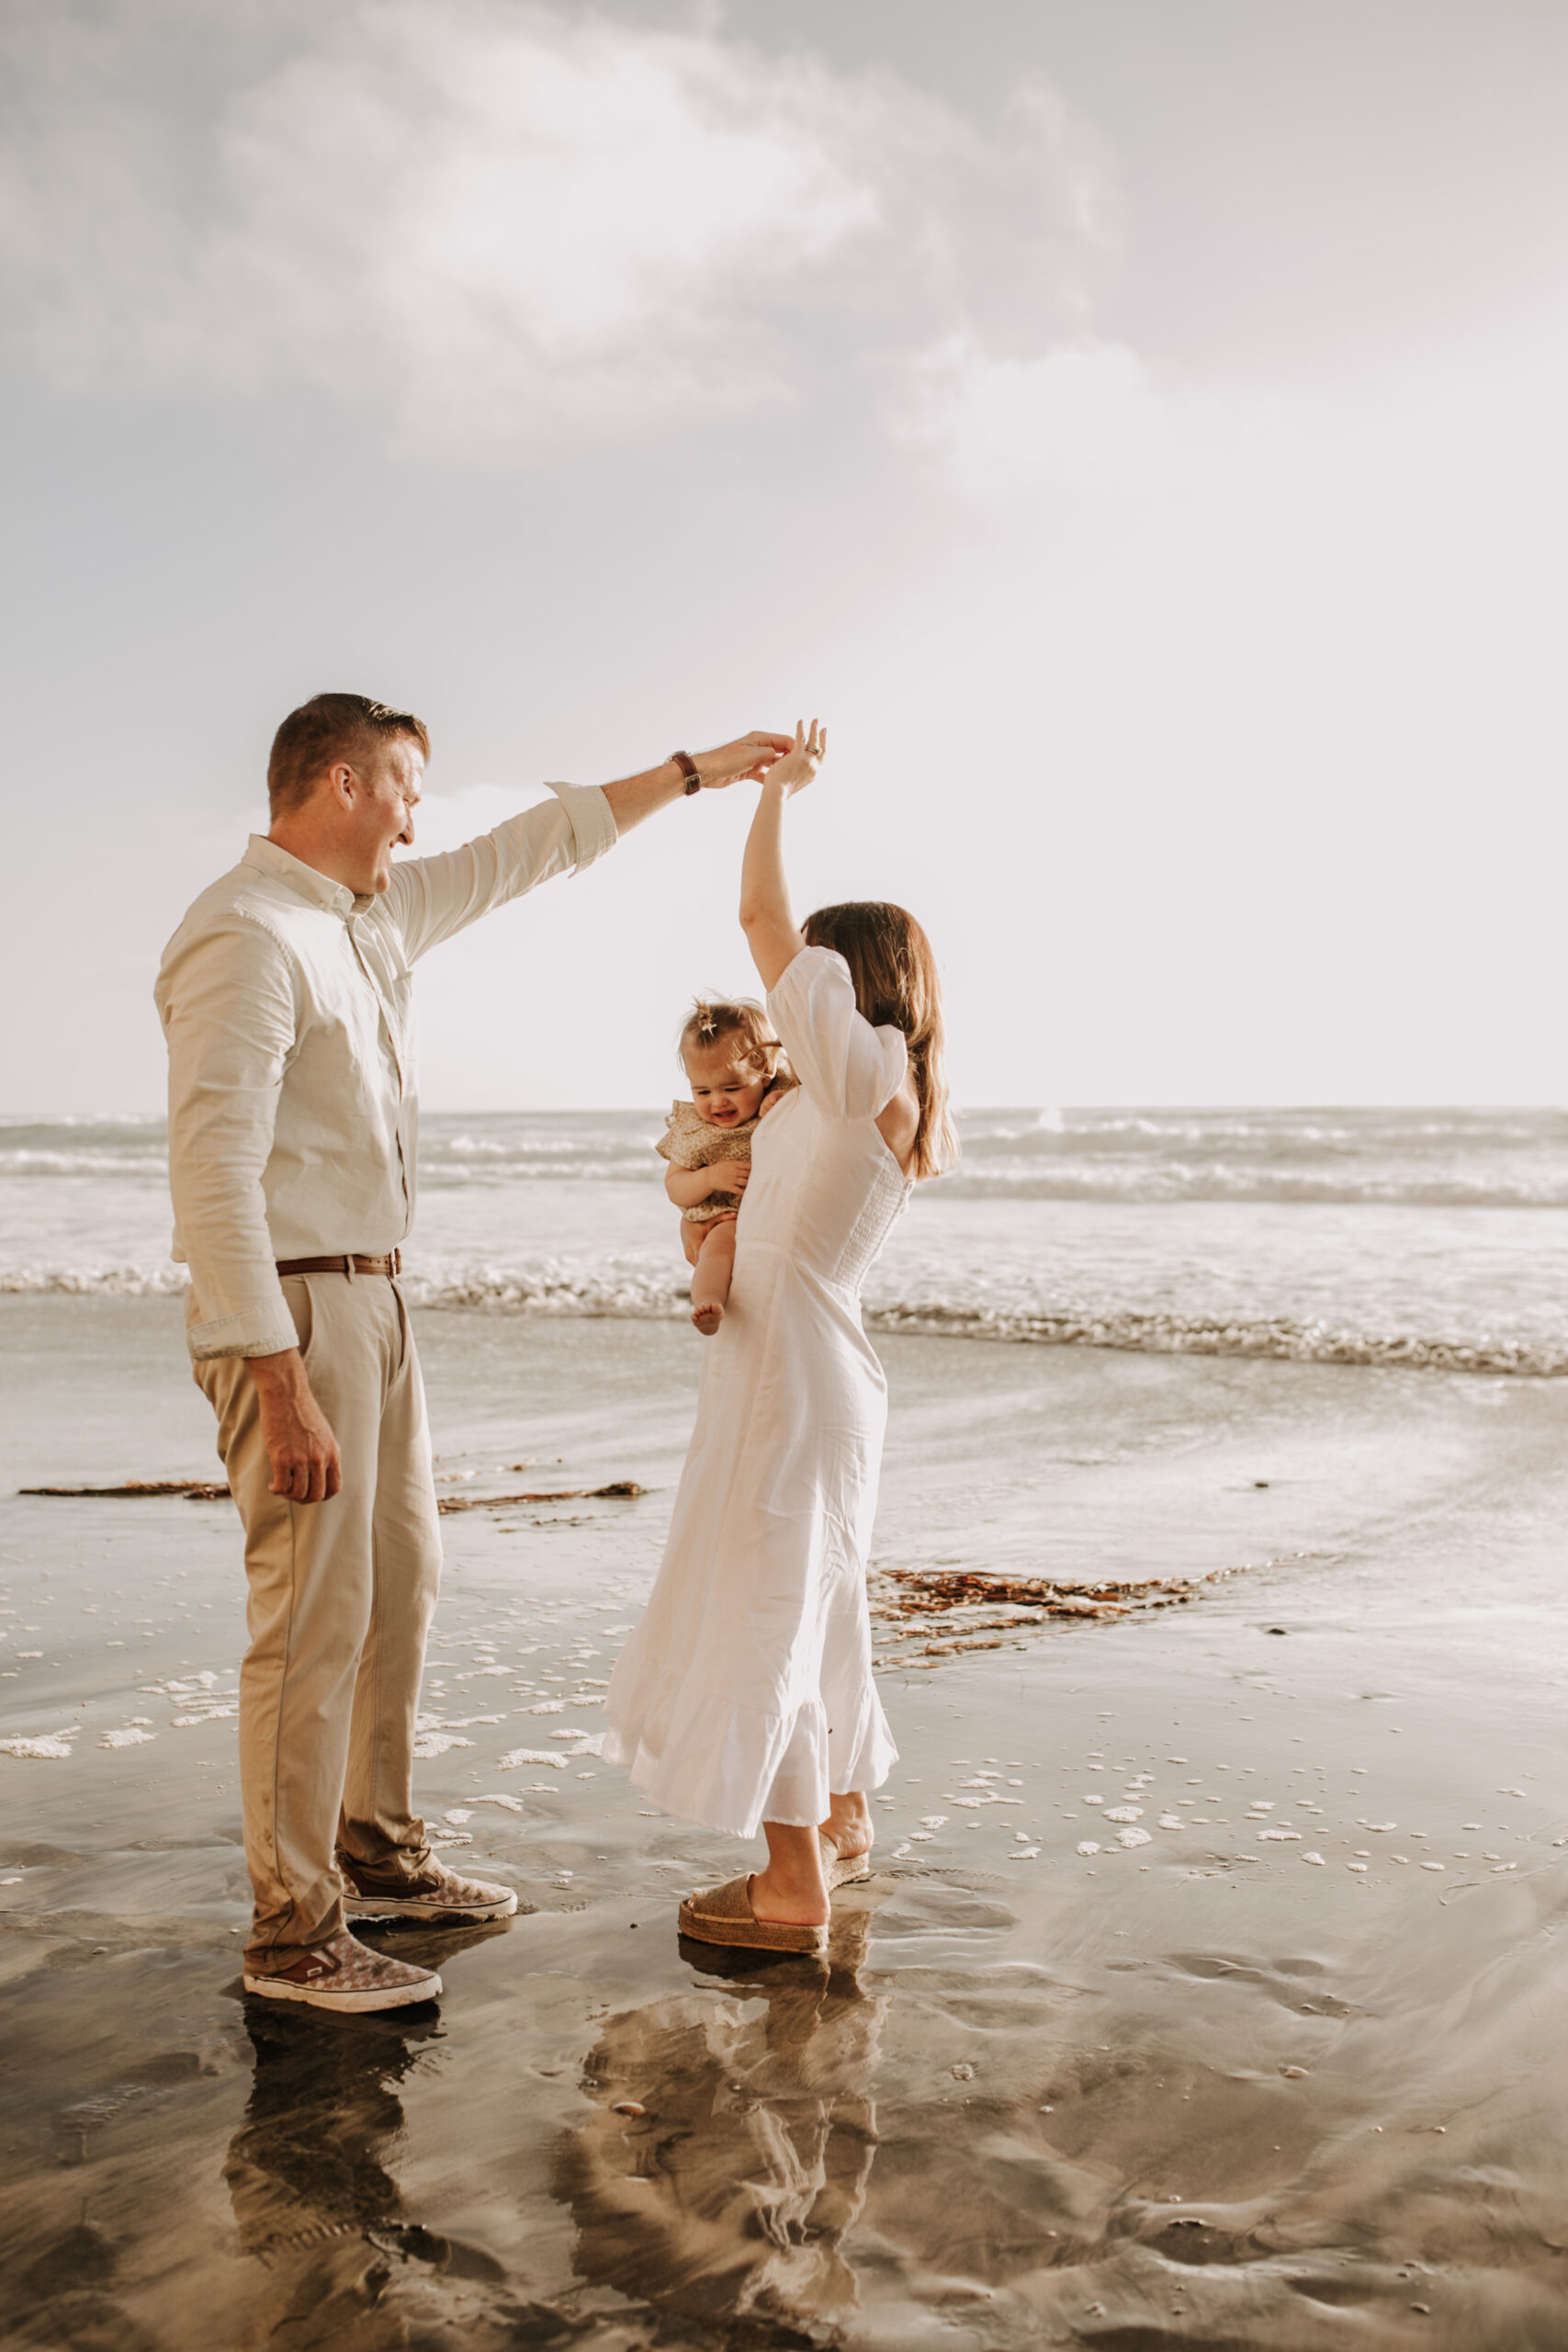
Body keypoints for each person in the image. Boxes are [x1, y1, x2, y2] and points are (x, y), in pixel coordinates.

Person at [155, 693, 791, 2013]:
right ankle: (290, 1935)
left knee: (400, 1592)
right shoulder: (246, 933)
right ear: (338, 783)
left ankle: (374, 1856)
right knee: (312, 1623)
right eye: (402, 788)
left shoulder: (370, 920)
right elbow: (211, 1176)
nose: (416, 816)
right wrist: (278, 1382)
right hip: (292, 1309)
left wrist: (694, 774)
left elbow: (531, 847)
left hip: (376, 1301)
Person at [604, 722, 958, 1953]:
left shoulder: (851, 1058)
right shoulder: (858, 1083)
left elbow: (759, 915)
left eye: (811, 966)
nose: (783, 974)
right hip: (812, 1360)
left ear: (845, 977)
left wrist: (776, 796)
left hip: (792, 1373)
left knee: (766, 1602)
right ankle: (842, 1821)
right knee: (813, 1602)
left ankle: (790, 1886)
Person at [656, 997, 795, 1335]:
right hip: (726, 1216)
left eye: (732, 1088)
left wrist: (784, 1099)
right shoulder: (697, 1130)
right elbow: (675, 1186)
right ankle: (708, 1301)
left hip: (772, 1217)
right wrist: (709, 1177)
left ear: (765, 1072)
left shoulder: (777, 1098)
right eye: (702, 1091)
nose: (717, 1102)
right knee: (717, 1251)